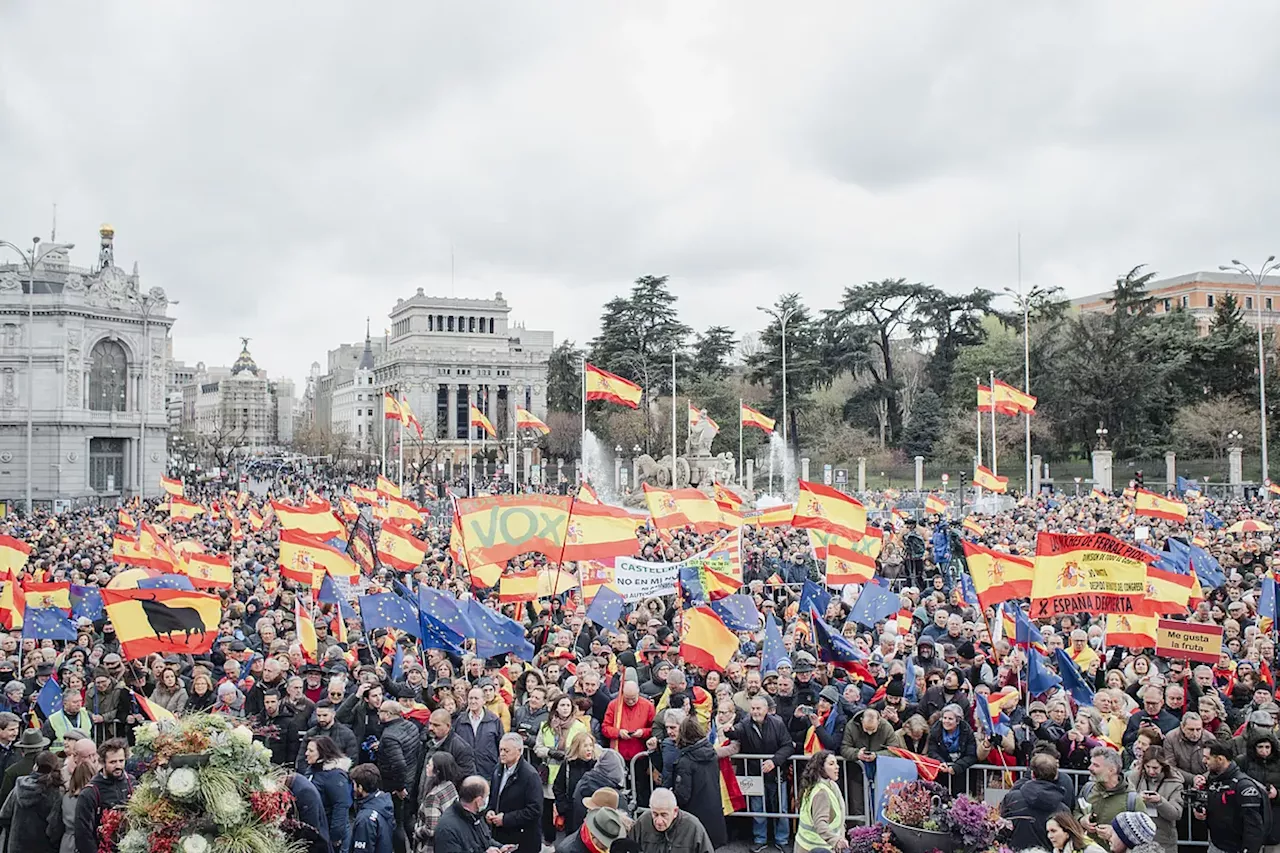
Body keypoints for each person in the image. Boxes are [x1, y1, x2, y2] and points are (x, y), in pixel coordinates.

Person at [727, 695, 793, 853]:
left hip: (777, 773)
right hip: (755, 774)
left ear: (766, 709)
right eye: (753, 708)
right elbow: (737, 732)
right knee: (758, 809)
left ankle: (782, 840)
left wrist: (774, 761)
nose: (755, 711)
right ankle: (760, 839)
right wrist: (729, 731)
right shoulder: (745, 723)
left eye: (758, 708)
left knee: (781, 809)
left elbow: (788, 746)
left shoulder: (777, 723)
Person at [1197, 739, 1267, 853]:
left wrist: (1248, 850)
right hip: (1216, 845)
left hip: (1237, 848)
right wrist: (1202, 811)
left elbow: (1254, 826)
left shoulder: (1243, 786)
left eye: (1207, 758)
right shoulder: (1212, 780)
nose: (1204, 761)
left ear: (1220, 759)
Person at [671, 716, 726, 848]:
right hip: (714, 812)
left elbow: (683, 795)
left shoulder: (685, 762)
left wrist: (673, 795)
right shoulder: (711, 753)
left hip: (694, 817)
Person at [375, 700, 420, 853]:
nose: (378, 713)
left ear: (388, 714)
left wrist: (400, 788)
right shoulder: (411, 726)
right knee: (408, 821)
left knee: (397, 824)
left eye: (380, 711)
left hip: (396, 786)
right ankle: (417, 848)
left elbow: (399, 764)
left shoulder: (389, 736)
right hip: (411, 780)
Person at [1001, 752, 1070, 851]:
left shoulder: (1011, 798)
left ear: (1032, 774)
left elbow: (1000, 829)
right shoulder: (1063, 810)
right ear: (1056, 775)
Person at [486, 733, 542, 853]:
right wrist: (489, 811)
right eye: (500, 749)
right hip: (500, 836)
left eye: (506, 750)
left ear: (519, 751)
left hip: (523, 840)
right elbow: (493, 798)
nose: (502, 753)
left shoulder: (530, 776)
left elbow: (535, 810)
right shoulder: (497, 770)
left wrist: (506, 819)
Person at [72, 739, 131, 853]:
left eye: (121, 761)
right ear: (103, 762)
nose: (118, 765)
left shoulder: (131, 783)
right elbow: (83, 834)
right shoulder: (90, 793)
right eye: (113, 762)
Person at [0, 750, 63, 853]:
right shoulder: (55, 793)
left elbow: (4, 815)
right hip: (43, 847)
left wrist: (14, 832)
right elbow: (54, 828)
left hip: (17, 846)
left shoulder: (19, 787)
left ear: (35, 766)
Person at [1124, 747, 1183, 853]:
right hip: (1138, 837)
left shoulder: (1175, 783)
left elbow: (1176, 814)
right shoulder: (1135, 778)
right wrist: (1137, 799)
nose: (1151, 771)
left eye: (1155, 768)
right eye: (1148, 767)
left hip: (1164, 838)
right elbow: (1125, 803)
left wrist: (1160, 801)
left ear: (1163, 766)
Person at [302, 735, 352, 853]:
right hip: (315, 831)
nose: (306, 753)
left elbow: (341, 806)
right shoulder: (312, 769)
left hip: (329, 834)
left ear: (322, 752)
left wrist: (335, 837)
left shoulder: (335, 776)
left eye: (311, 751)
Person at [628, 787, 714, 853]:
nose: (659, 821)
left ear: (675, 811)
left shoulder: (693, 827)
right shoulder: (642, 822)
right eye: (655, 814)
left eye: (664, 815)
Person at [796, 750, 847, 853]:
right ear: (821, 768)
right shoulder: (821, 793)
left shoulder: (815, 785)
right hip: (816, 848)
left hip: (807, 845)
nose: (837, 767)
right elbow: (820, 824)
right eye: (831, 764)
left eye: (836, 763)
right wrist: (836, 840)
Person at [412, 752, 462, 853]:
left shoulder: (433, 796)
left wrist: (417, 831)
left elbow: (431, 829)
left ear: (437, 771)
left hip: (430, 847)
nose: (427, 766)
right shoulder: (450, 786)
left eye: (430, 765)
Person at [433, 776, 497, 853]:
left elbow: (485, 840)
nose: (487, 800)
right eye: (486, 796)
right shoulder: (447, 829)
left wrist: (500, 847)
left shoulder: (476, 816)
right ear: (478, 801)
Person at [927, 704, 977, 796]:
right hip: (942, 774)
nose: (946, 721)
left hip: (962, 775)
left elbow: (971, 755)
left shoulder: (967, 732)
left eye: (950, 719)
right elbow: (932, 751)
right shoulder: (935, 731)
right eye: (944, 718)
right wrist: (941, 762)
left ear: (957, 721)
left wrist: (956, 767)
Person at [454, 688, 503, 781]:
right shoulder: (460, 721)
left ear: (484, 701)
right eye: (470, 698)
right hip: (464, 773)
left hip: (488, 772)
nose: (473, 701)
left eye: (476, 698)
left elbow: (500, 745)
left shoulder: (494, 721)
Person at [60, 738, 98, 853]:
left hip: (68, 843)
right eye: (88, 756)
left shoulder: (66, 796)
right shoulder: (63, 776)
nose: (93, 759)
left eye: (94, 755)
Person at [349, 763, 394, 853]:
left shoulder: (365, 819)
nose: (352, 788)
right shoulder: (384, 802)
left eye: (354, 784)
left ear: (360, 788)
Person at [2, 729, 49, 807]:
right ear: (42, 746)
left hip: (18, 816)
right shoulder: (52, 766)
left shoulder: (12, 771)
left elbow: (3, 799)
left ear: (22, 748)